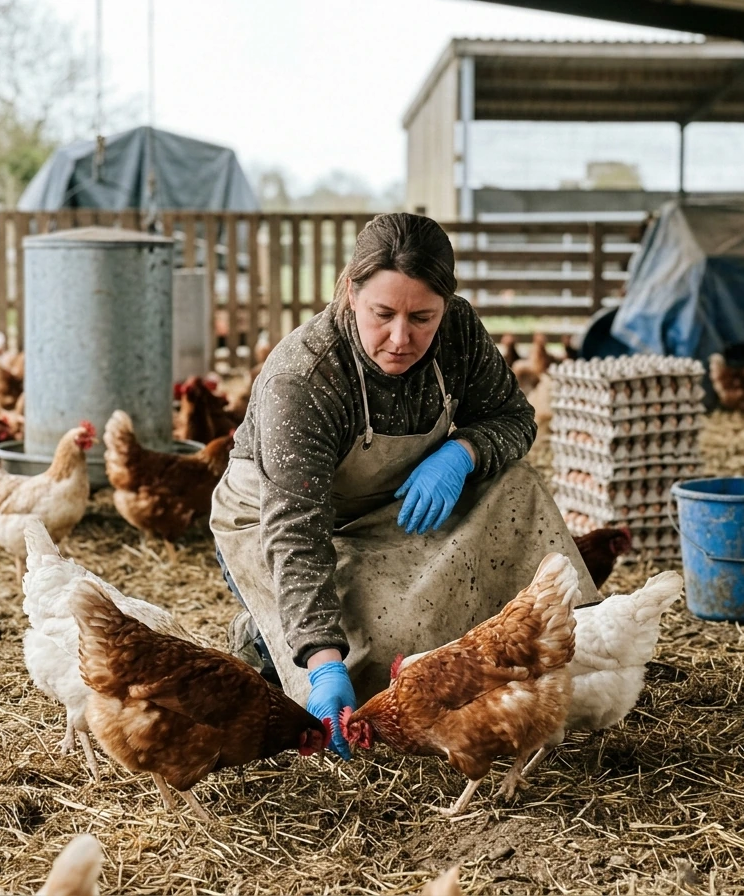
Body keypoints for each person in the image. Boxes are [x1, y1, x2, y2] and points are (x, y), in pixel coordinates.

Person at [210, 213, 600, 758]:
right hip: (280, 521)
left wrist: (463, 453)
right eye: (383, 314)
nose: (401, 338)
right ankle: (264, 635)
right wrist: (324, 663)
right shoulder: (303, 379)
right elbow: (297, 532)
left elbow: (514, 418)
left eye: (422, 317)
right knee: (389, 663)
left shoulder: (459, 333)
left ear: (447, 305)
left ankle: (579, 655)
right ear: (351, 292)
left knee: (516, 487)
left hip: (395, 505)